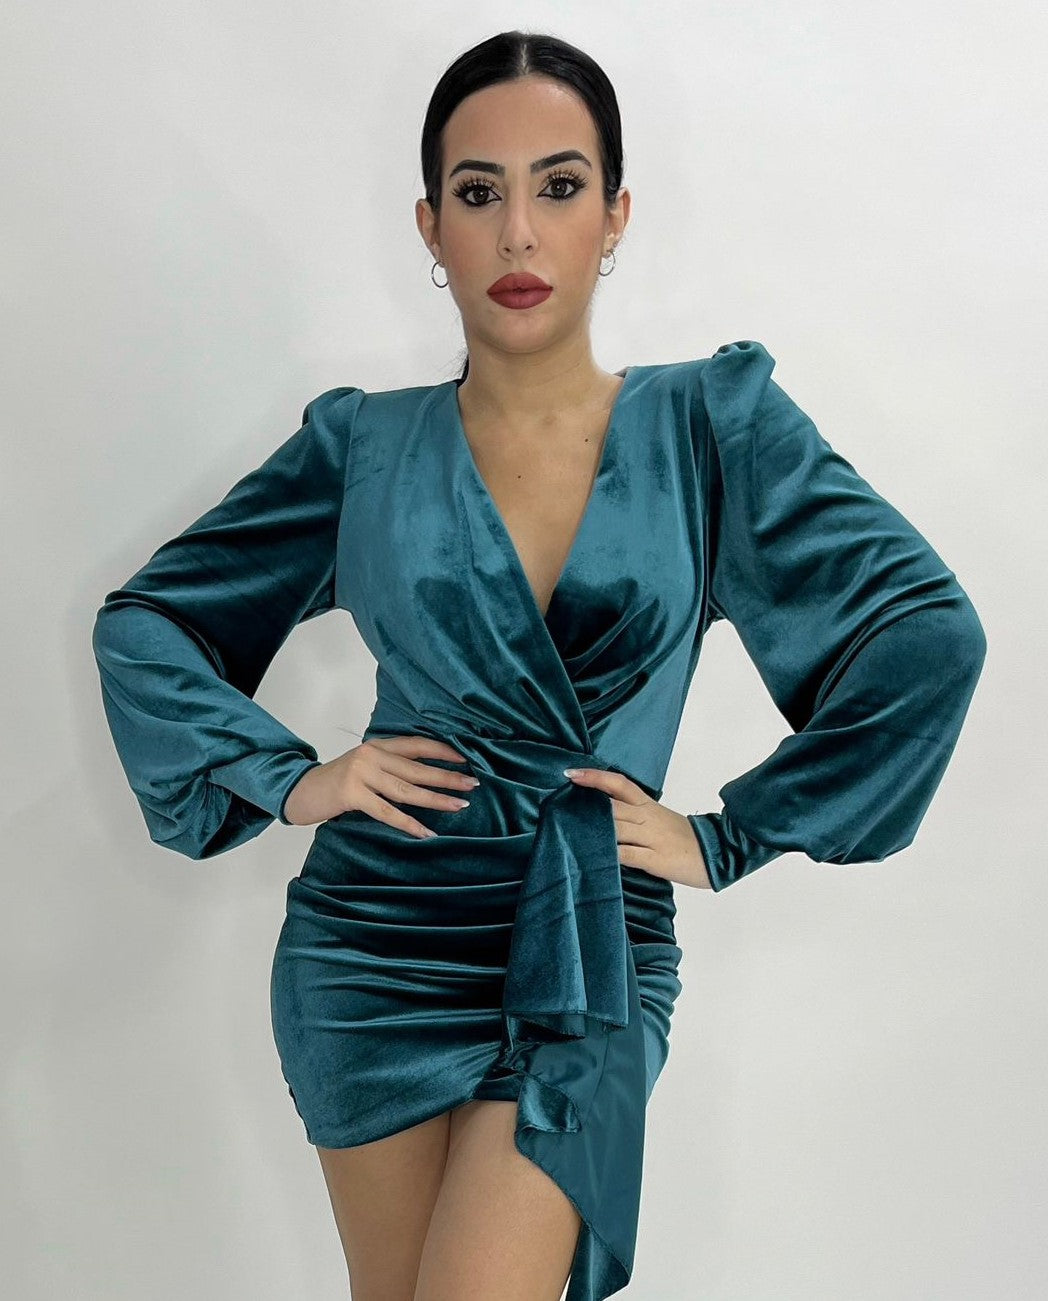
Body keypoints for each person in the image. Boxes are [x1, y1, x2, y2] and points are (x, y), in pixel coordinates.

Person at [90, 28, 987, 1301]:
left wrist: (730, 835)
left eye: (558, 187)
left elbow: (926, 635)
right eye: (478, 193)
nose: (517, 233)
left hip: (590, 938)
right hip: (372, 945)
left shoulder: (711, 426)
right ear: (430, 225)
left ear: (614, 213)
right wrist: (295, 778)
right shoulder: (363, 448)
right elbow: (148, 625)